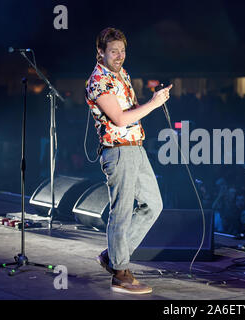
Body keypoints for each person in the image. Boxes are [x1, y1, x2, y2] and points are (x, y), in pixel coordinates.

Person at [85, 27, 172, 294]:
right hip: (118, 149)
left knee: (153, 205)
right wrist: (155, 103)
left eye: (122, 50)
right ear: (101, 52)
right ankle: (120, 273)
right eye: (114, 51)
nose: (120, 56)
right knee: (121, 211)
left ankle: (114, 256)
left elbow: (131, 113)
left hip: (137, 147)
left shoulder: (122, 74)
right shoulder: (98, 81)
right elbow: (121, 119)